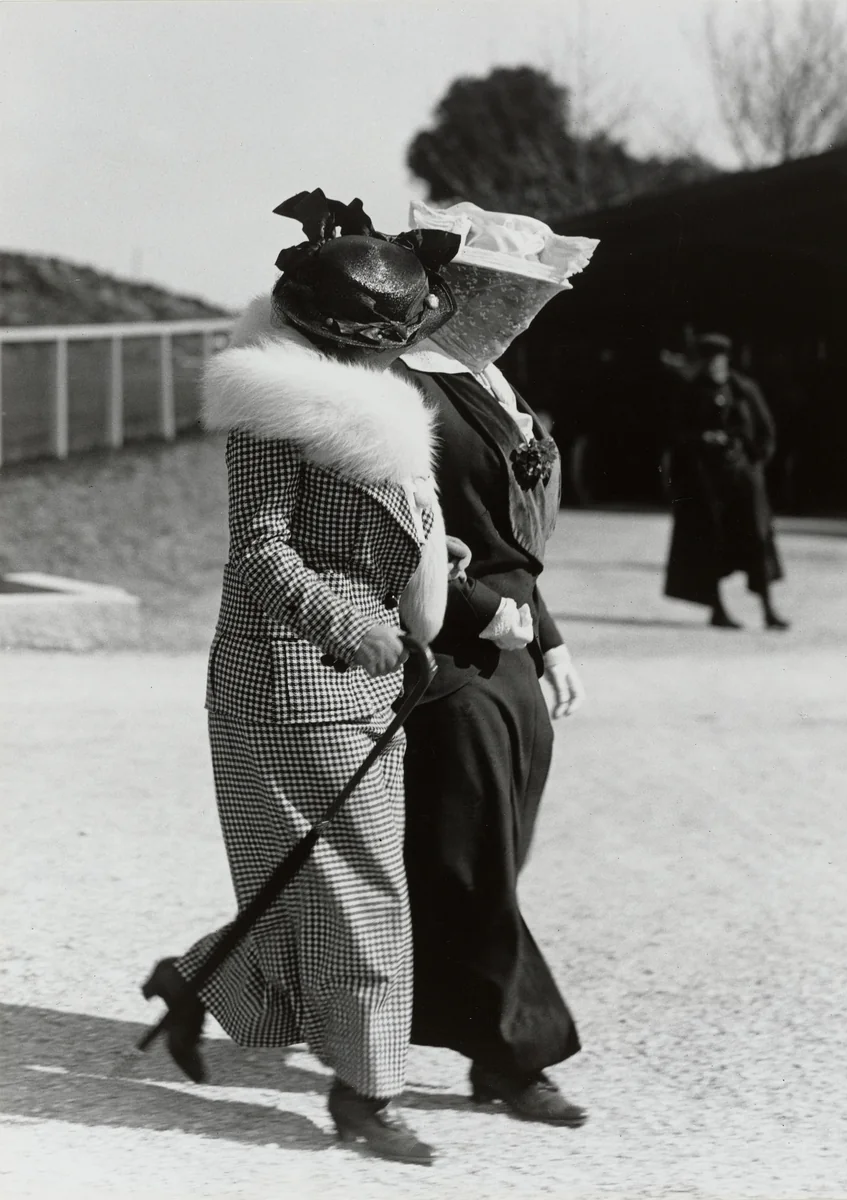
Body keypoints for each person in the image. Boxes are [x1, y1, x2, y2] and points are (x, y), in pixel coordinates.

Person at [141, 189, 461, 1165]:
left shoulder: (369, 403)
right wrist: (362, 628)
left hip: (356, 675)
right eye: (389, 337)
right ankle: (365, 1096)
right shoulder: (271, 413)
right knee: (359, 888)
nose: (398, 352)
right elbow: (259, 555)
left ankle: (195, 984)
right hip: (288, 678)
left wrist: (411, 615)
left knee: (315, 886)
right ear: (345, 340)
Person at [395, 200, 598, 1126]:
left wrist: (549, 638)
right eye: (513, 295)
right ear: (463, 288)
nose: (528, 314)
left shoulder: (492, 383)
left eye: (540, 299)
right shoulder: (408, 390)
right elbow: (399, 539)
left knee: (493, 854)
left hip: (512, 649)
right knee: (466, 856)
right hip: (447, 652)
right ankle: (515, 1055)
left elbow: (509, 536)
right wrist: (484, 613)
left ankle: (205, 978)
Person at [662, 333, 789, 630]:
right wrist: (702, 439)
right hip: (706, 482)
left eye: (719, 360)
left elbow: (766, 431)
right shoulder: (690, 393)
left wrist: (753, 464)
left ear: (726, 361)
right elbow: (674, 435)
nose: (713, 366)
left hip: (743, 478)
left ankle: (769, 610)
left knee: (757, 540)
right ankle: (717, 609)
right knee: (711, 542)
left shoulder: (744, 390)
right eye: (708, 361)